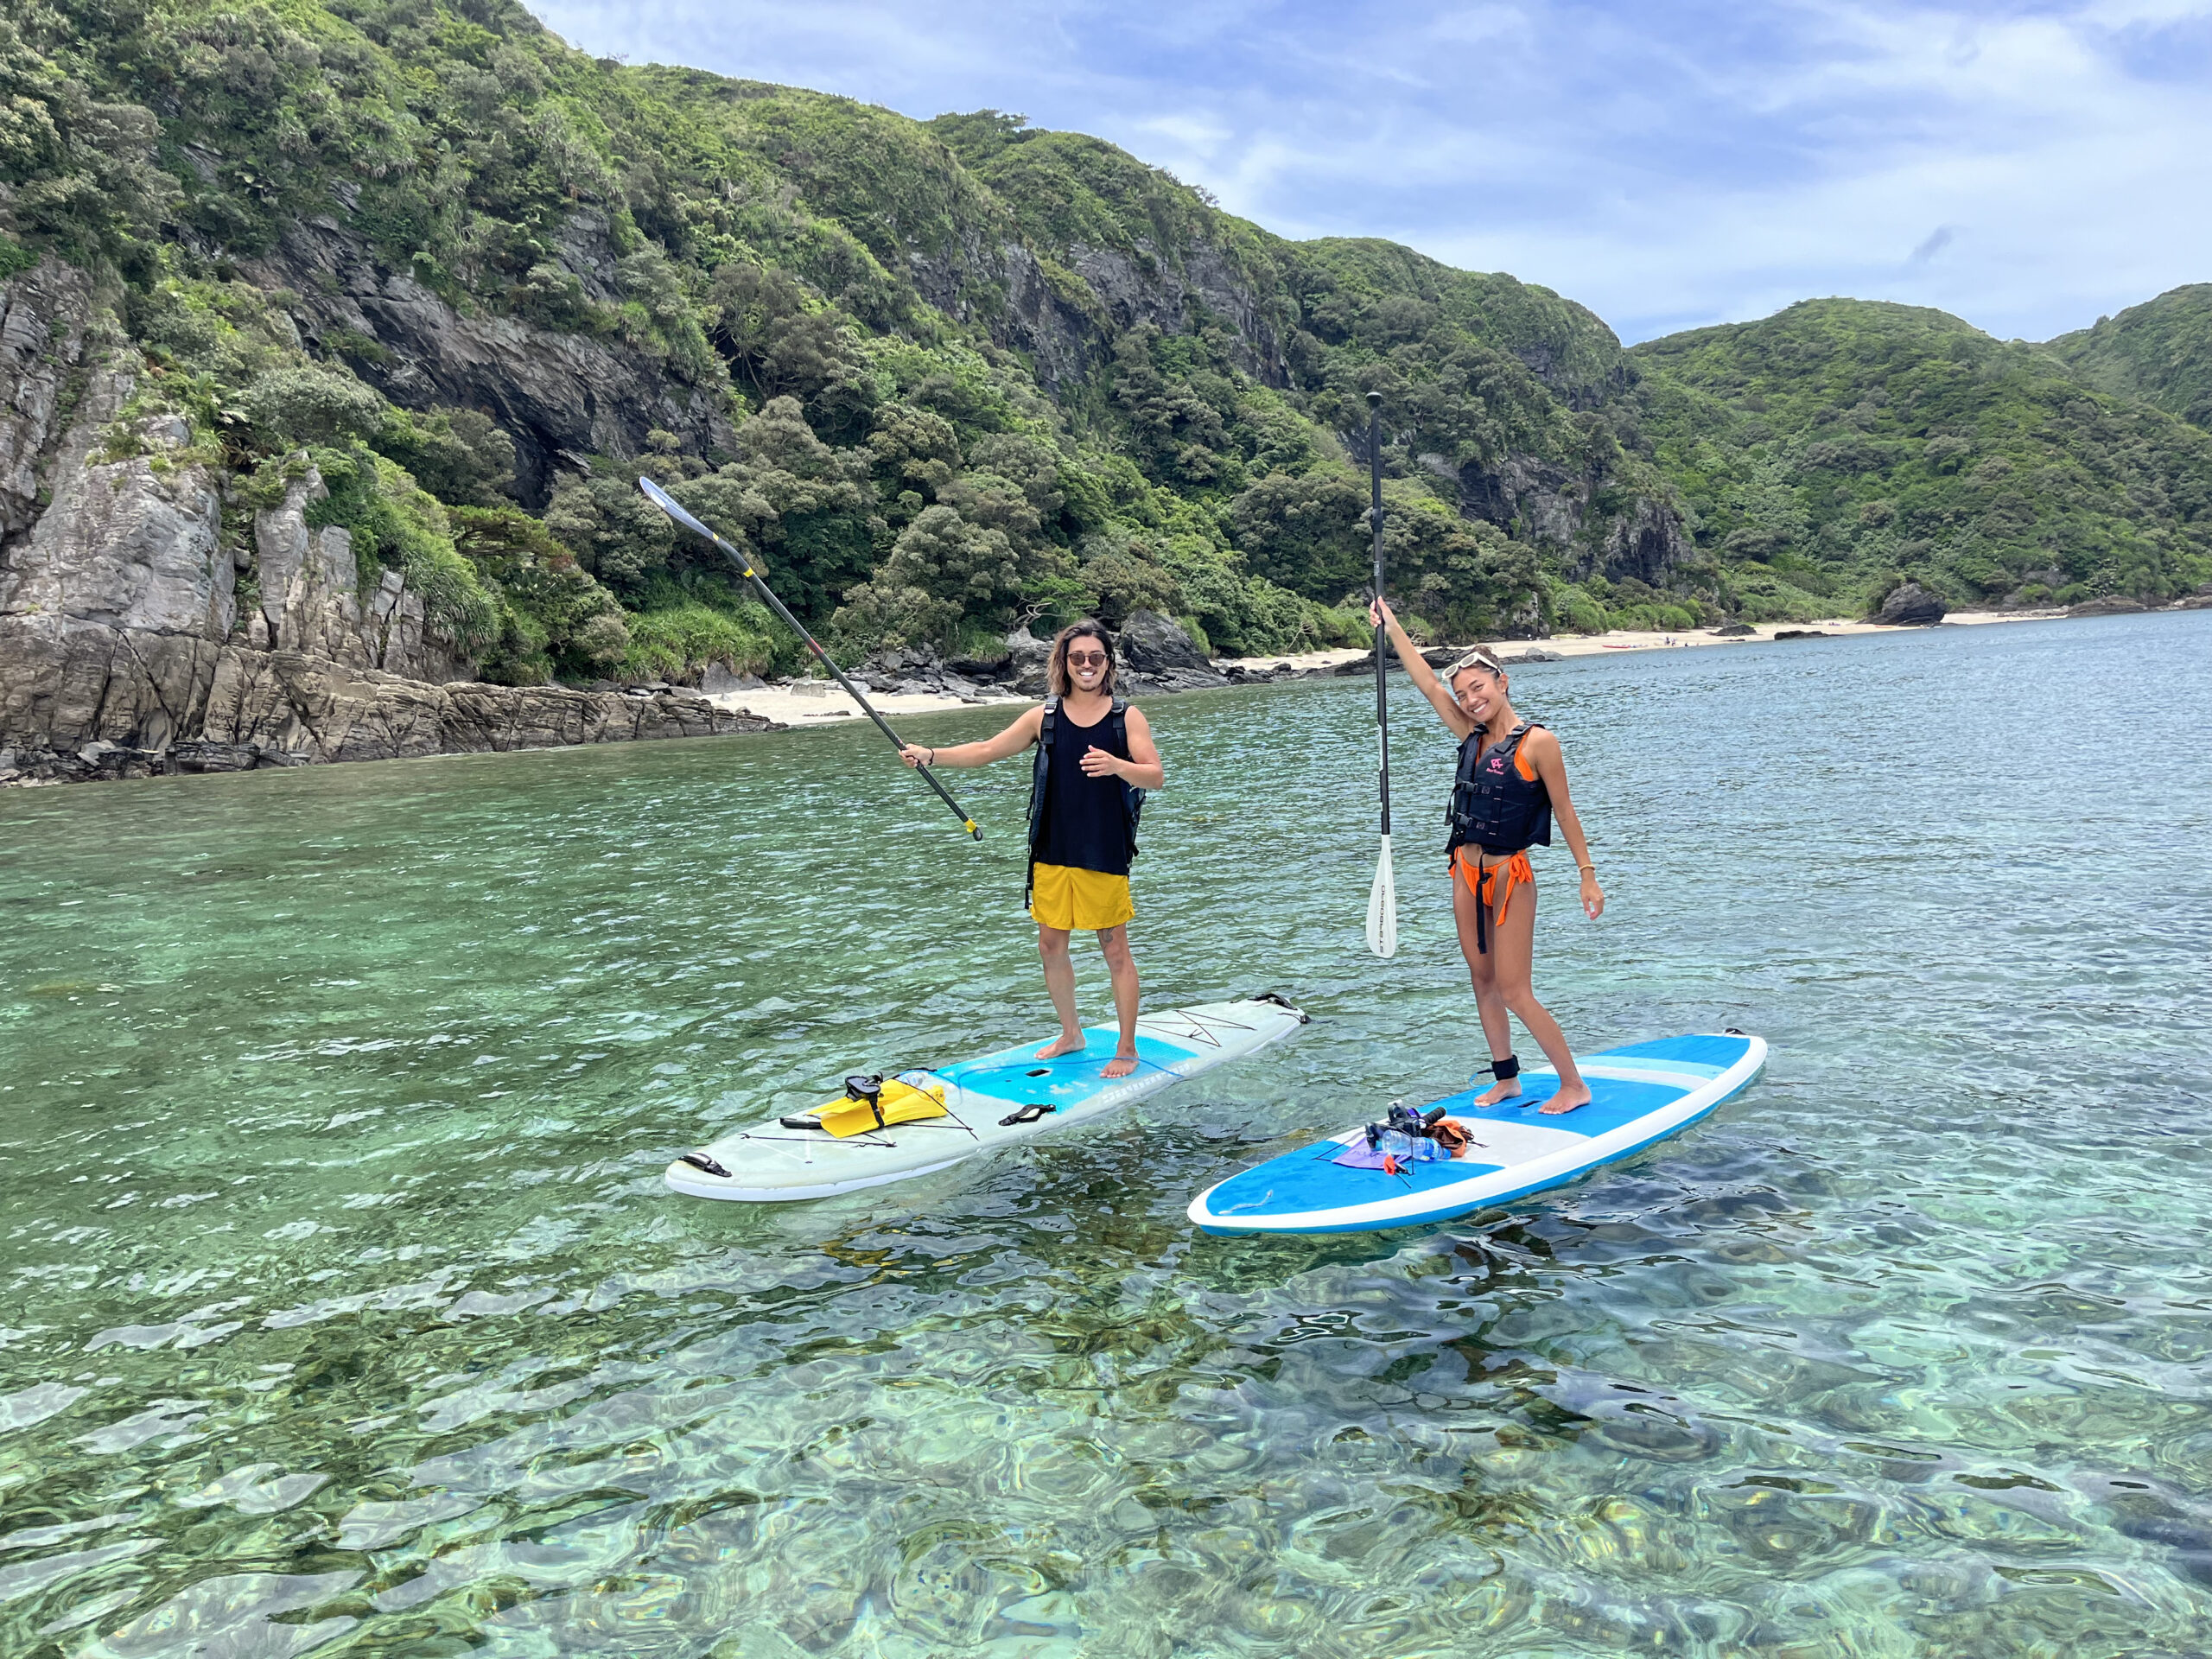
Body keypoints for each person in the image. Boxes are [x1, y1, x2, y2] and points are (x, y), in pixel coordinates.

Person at [1370, 598, 1606, 1113]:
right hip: (1465, 872)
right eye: (1464, 694)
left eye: (1478, 687)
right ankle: (1507, 1077)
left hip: (1509, 878)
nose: (1470, 699)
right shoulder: (1472, 738)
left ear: (1502, 682)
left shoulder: (1539, 743)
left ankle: (1573, 1083)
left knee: (1515, 989)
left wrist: (1587, 875)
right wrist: (1391, 627)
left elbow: (1565, 812)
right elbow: (1427, 684)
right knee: (1482, 978)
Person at [899, 620, 1164, 1078]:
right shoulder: (1043, 717)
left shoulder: (1127, 717)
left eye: (1095, 658)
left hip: (1103, 849)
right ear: (1063, 662)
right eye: (1077, 657)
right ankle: (1072, 1034)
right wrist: (931, 754)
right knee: (1049, 944)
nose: (1086, 665)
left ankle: (1126, 1047)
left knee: (1114, 948)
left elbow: (1154, 775)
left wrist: (1117, 764)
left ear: (1108, 664)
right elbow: (986, 750)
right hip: (1051, 849)